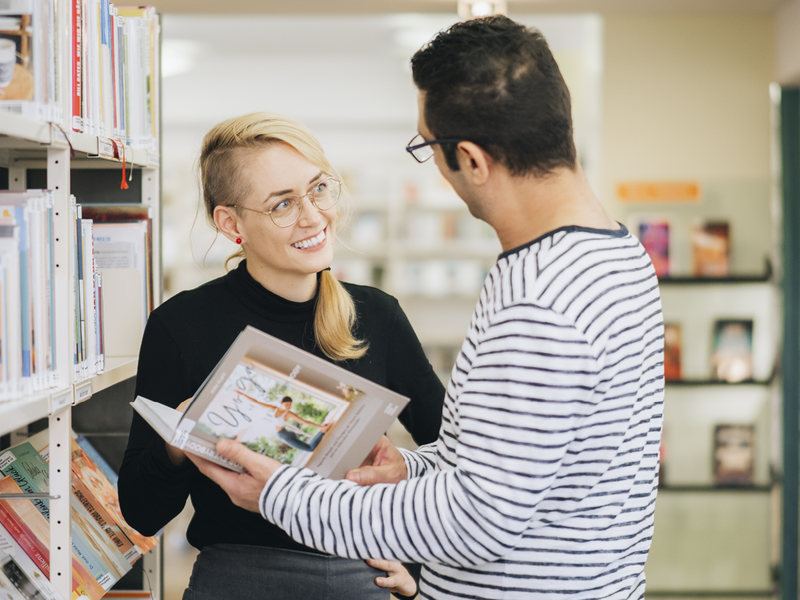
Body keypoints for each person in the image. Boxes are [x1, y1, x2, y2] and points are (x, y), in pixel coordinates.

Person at [187, 15, 666, 600]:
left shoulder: (540, 297)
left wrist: (276, 493)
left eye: (426, 147)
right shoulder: (615, 252)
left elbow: (476, 521)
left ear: (470, 158)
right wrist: (412, 469)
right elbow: (512, 468)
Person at [118, 111, 447, 599]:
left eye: (318, 189)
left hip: (361, 575)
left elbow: (454, 462)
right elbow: (142, 512)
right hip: (238, 580)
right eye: (282, 205)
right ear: (231, 223)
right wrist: (178, 438)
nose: (313, 216)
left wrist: (420, 574)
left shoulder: (376, 315)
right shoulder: (181, 324)